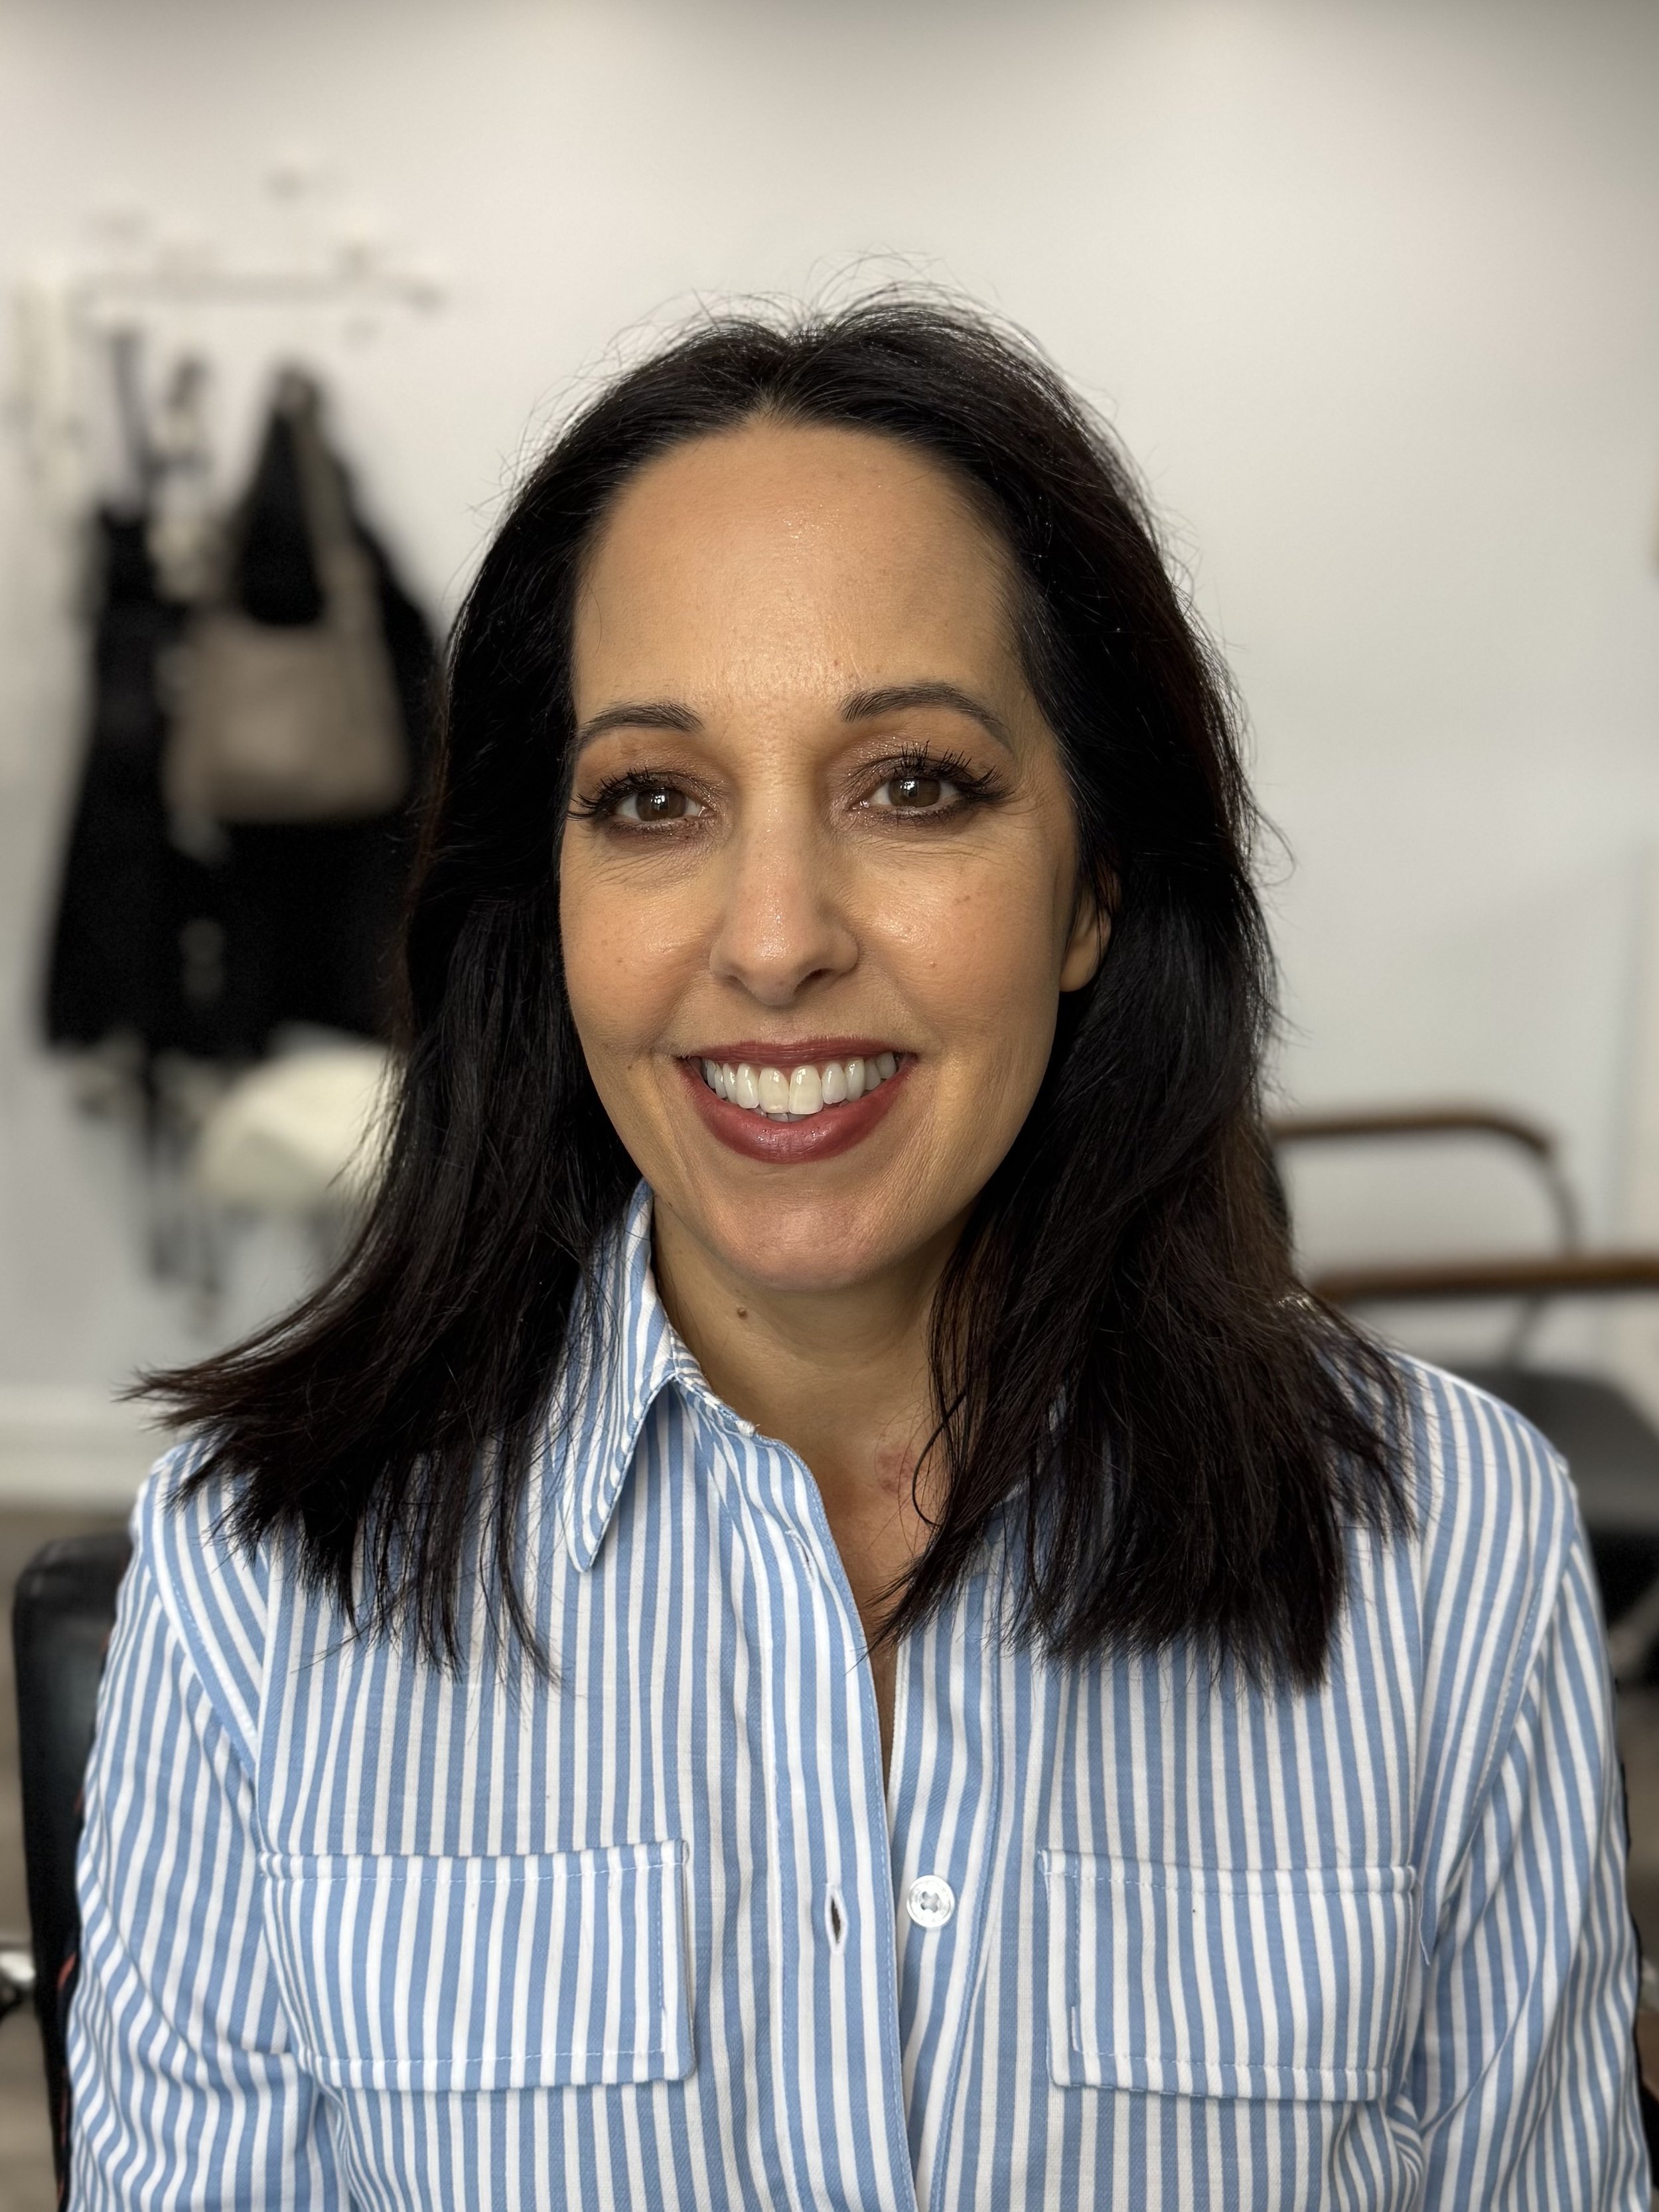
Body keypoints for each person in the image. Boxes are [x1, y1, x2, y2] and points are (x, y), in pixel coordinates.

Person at [66, 299, 1644, 2209]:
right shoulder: (259, 1575)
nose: (774, 935)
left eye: (914, 785)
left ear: (1094, 889)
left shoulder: (1446, 1547)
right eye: (652, 800)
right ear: (542, 898)